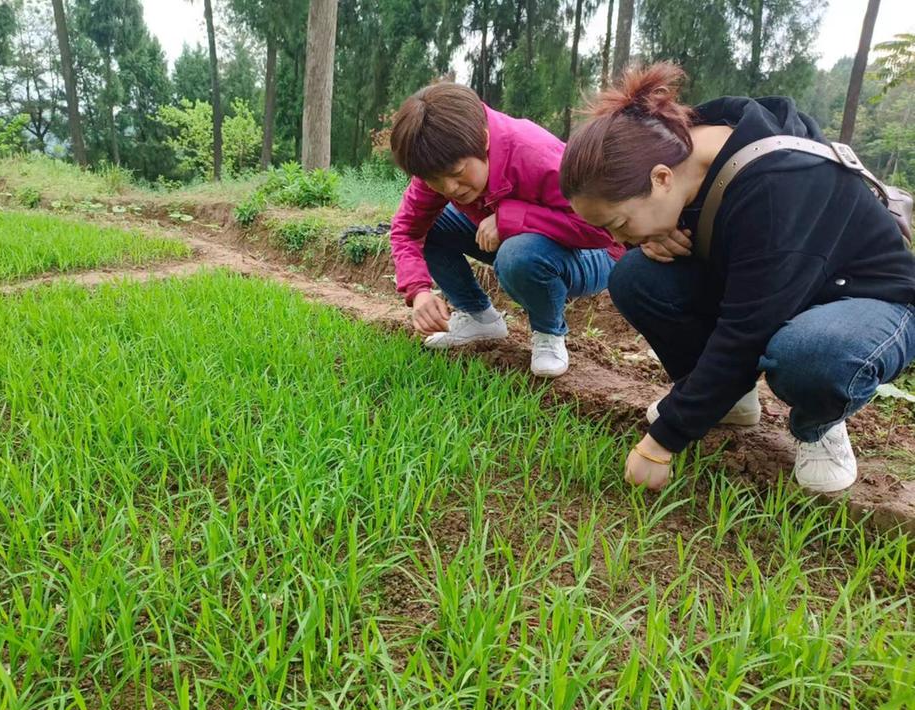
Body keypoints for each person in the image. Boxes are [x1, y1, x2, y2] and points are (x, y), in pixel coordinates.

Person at [559, 62, 915, 493]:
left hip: (865, 302)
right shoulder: (687, 152)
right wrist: (644, 239)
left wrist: (663, 441)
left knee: (811, 353)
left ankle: (819, 423)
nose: (617, 238)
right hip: (775, 290)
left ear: (661, 178)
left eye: (619, 223)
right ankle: (729, 402)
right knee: (636, 278)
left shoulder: (777, 184)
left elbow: (745, 333)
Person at [389, 82, 623, 378]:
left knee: (517, 255)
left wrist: (510, 219)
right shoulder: (440, 160)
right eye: (434, 180)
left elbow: (602, 229)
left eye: (458, 174)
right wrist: (418, 290)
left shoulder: (537, 156)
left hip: (594, 253)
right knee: (434, 225)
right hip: (523, 237)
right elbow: (406, 229)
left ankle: (549, 332)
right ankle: (478, 317)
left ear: (484, 141)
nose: (449, 187)